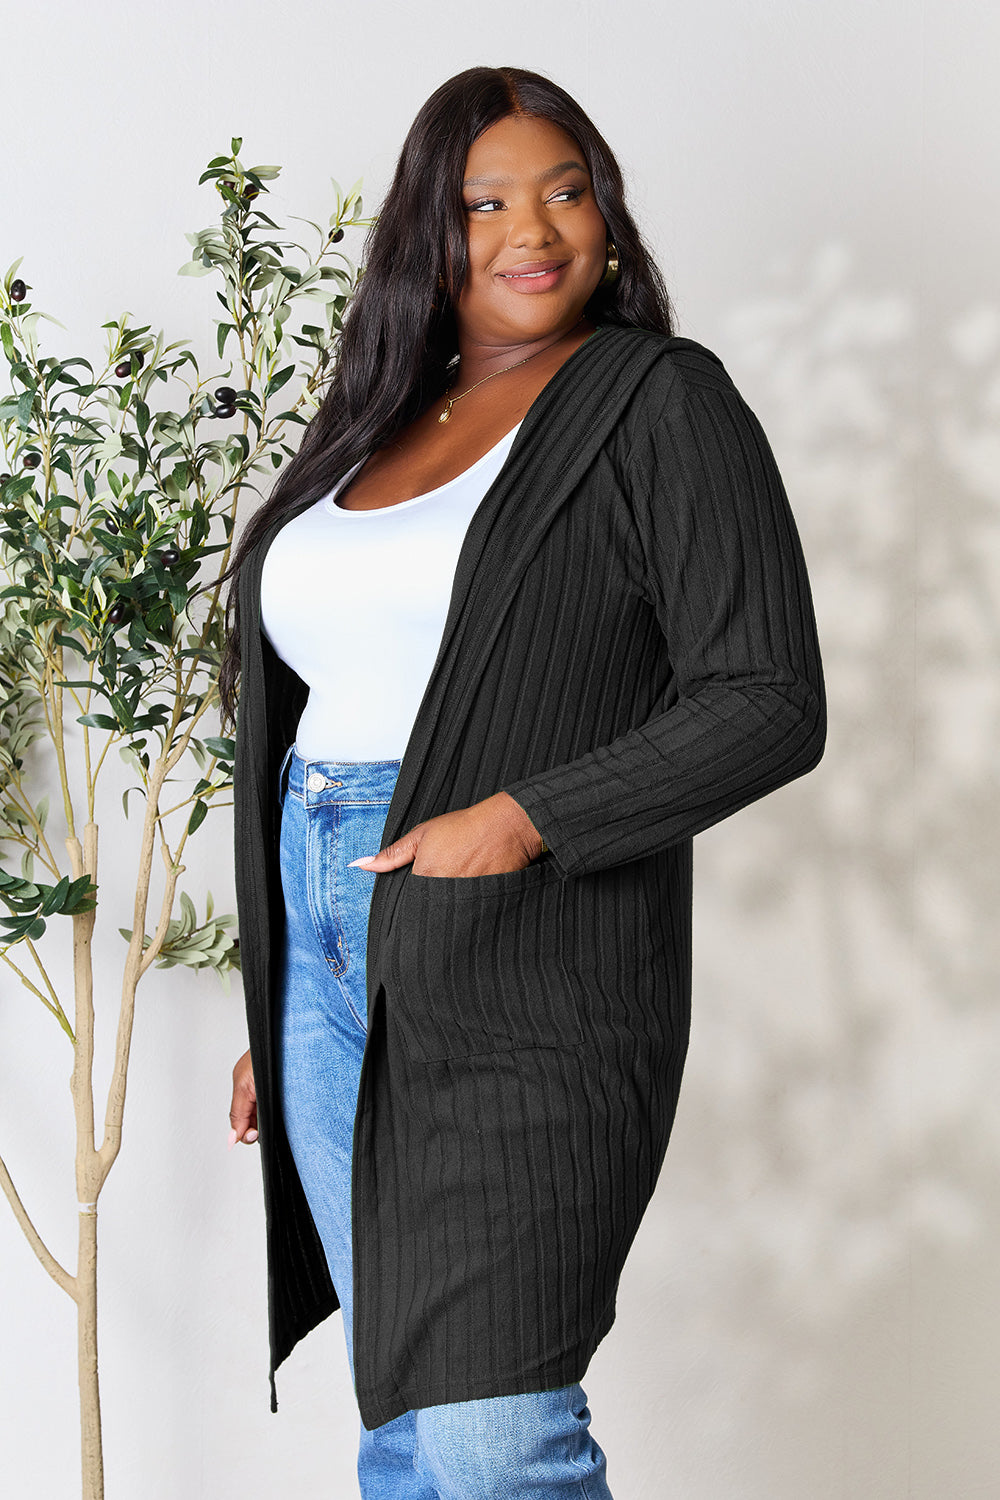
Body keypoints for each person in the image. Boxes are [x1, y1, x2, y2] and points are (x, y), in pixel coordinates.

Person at [219, 64, 825, 1500]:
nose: (530, 229)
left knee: (497, 1436)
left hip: (525, 960)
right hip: (326, 948)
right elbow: (310, 712)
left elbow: (769, 701)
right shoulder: (375, 421)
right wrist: (289, 980)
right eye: (486, 201)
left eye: (566, 190)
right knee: (409, 1423)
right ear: (429, 232)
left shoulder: (655, 403)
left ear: (608, 218)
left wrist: (524, 819)